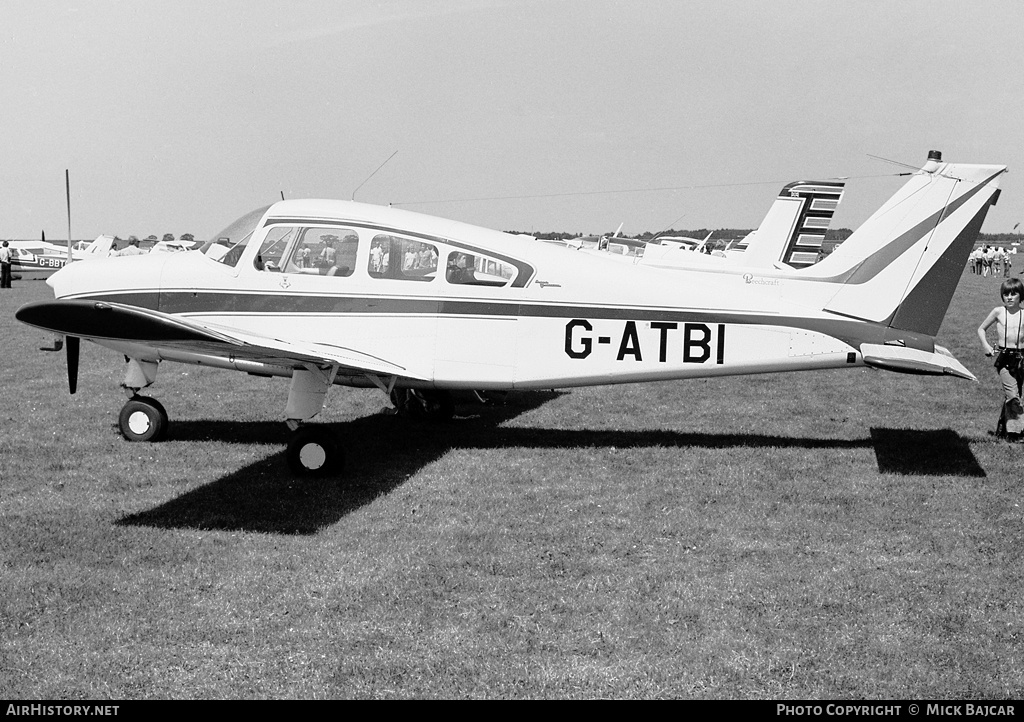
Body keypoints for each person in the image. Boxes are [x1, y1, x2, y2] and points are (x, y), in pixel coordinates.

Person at [978, 277, 1024, 440]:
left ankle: (1002, 427)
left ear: (1021, 296)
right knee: (1012, 395)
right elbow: (981, 329)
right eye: (1006, 294)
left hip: (1022, 359)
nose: (1009, 297)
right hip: (1005, 359)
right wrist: (986, 345)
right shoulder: (998, 312)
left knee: (1016, 395)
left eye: (1013, 294)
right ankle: (1015, 433)